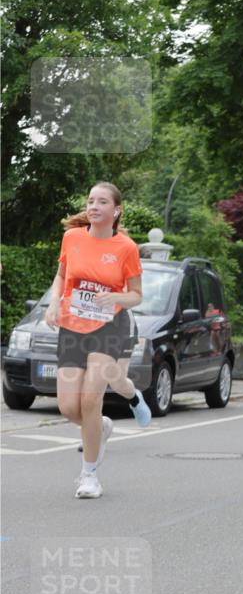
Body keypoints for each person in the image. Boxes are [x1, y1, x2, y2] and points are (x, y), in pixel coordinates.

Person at [44, 182, 151, 500]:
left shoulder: (126, 248)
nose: (93, 206)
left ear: (115, 210)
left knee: (90, 401)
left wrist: (113, 297)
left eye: (102, 201)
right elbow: (62, 276)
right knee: (68, 407)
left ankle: (88, 475)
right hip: (72, 327)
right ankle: (101, 426)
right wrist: (53, 303)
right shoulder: (72, 238)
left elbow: (136, 295)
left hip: (108, 327)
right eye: (90, 200)